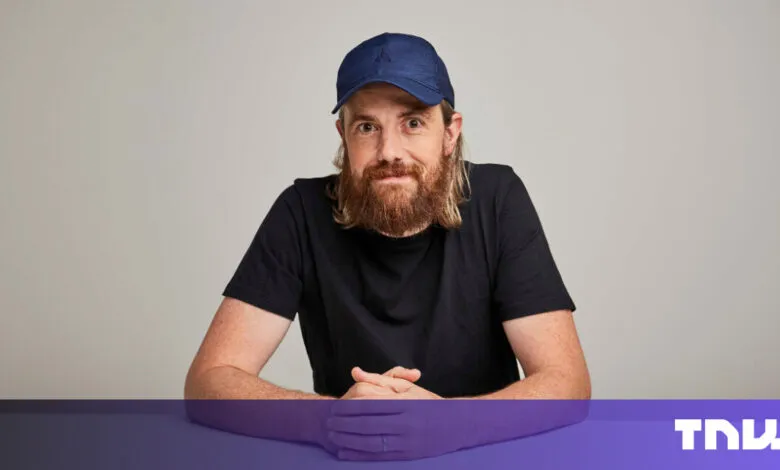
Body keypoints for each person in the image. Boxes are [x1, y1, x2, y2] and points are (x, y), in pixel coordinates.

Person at [184, 32, 590, 459]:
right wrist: (332, 420)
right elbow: (208, 382)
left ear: (450, 133)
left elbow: (568, 383)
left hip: (482, 454)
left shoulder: (498, 199)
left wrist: (450, 424)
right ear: (343, 135)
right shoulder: (301, 211)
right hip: (350, 456)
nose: (388, 151)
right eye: (367, 127)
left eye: (412, 122)